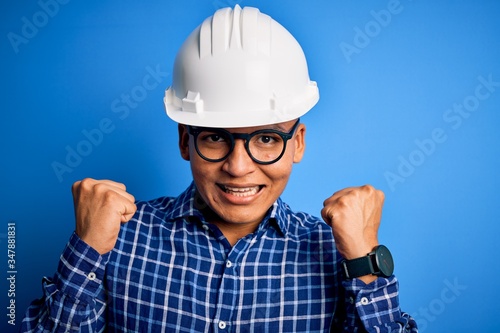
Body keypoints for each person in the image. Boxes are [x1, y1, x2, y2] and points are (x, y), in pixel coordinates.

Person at [22, 5, 418, 332]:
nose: (239, 167)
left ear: (296, 144)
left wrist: (365, 262)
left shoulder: (337, 253)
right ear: (184, 141)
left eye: (266, 138)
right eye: (215, 137)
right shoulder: (118, 238)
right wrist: (87, 250)